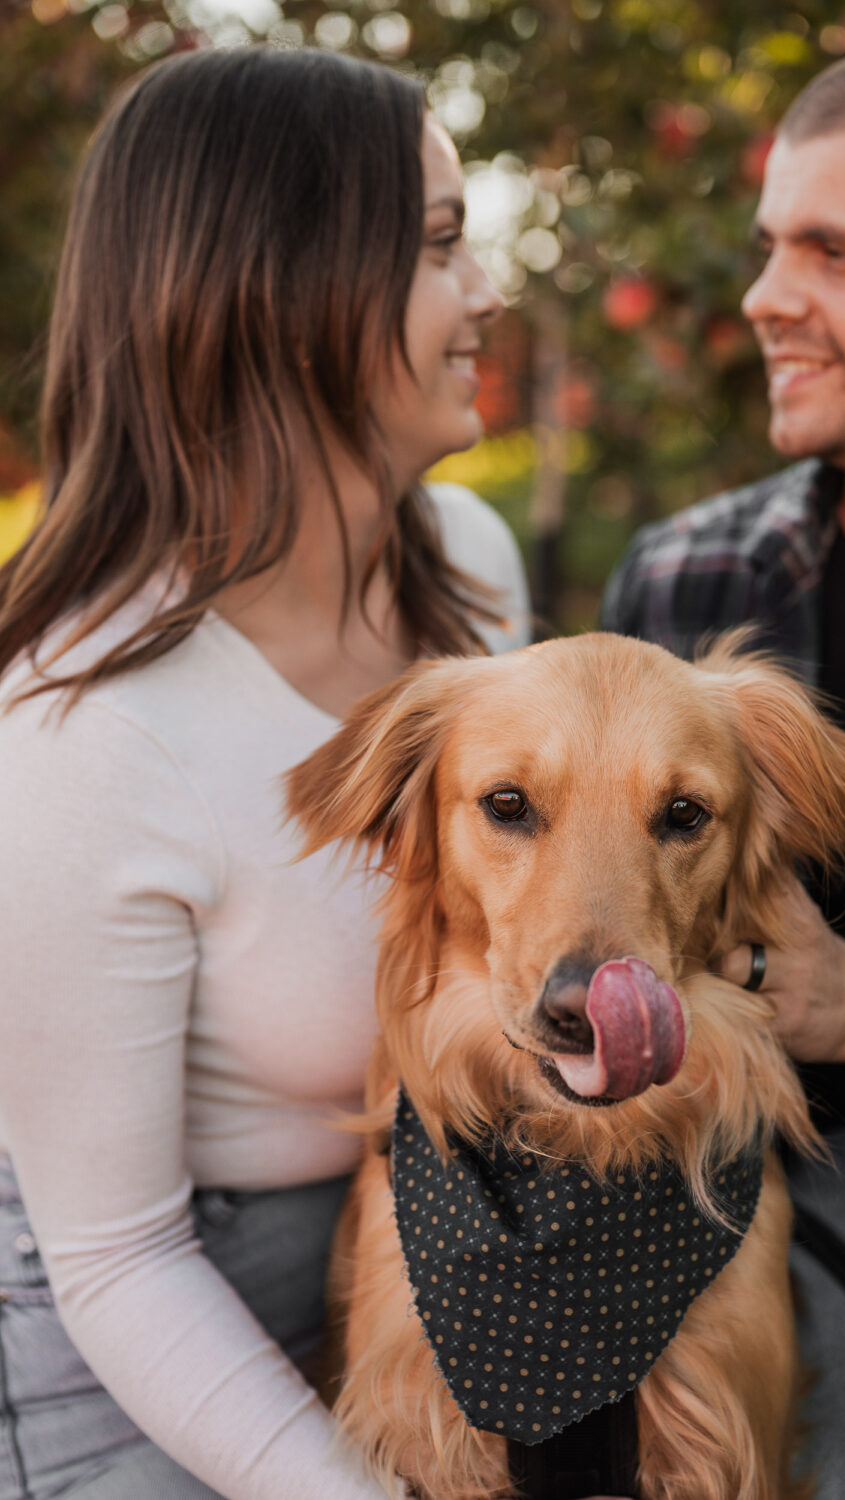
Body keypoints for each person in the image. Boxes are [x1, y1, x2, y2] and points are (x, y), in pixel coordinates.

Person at [0, 46, 538, 1499]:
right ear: (280, 296)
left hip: (442, 1240)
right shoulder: (82, 735)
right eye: (437, 247)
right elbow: (118, 1260)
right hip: (163, 1313)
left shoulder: (475, 587)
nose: (489, 293)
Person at [601, 32, 845, 1500]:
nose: (768, 297)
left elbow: (816, 998)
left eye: (838, 252)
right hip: (752, 1183)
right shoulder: (690, 579)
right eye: (775, 247)